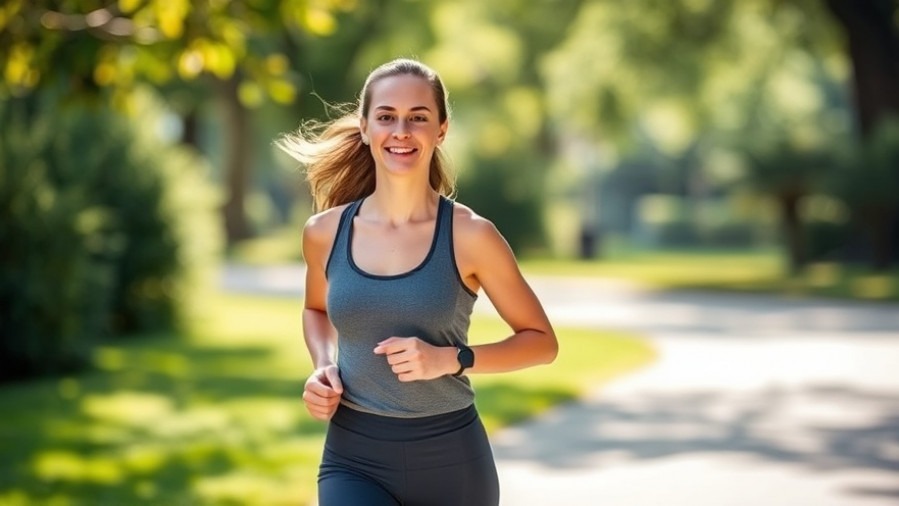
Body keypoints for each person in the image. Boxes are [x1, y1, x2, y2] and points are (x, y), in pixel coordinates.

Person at [277, 58, 558, 506]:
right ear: (366, 127)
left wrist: (452, 358)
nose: (401, 131)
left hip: (451, 460)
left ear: (441, 130)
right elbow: (315, 308)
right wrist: (322, 365)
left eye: (418, 118)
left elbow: (542, 342)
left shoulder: (471, 235)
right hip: (353, 457)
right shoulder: (324, 233)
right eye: (386, 116)